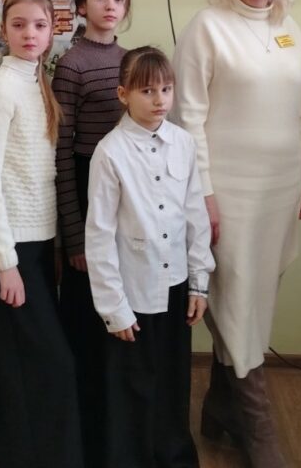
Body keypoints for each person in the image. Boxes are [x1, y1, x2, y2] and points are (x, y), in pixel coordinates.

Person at [172, 0, 301, 468]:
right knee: (232, 296)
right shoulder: (206, 27)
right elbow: (188, 117)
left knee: (255, 297)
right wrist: (202, 194)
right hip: (225, 190)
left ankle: (219, 408)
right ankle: (258, 428)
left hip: (280, 189)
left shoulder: (290, 30)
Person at [0, 0, 82, 468]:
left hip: (35, 244)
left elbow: (40, 176)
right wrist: (6, 264)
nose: (29, 34)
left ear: (52, 31)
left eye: (39, 25)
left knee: (10, 353)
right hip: (7, 247)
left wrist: (47, 249)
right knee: (51, 362)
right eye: (19, 25)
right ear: (4, 30)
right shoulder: (0, 89)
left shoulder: (39, 82)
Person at [85, 47, 214, 468]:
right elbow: (100, 236)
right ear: (123, 94)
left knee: (173, 383)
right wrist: (114, 308)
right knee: (134, 386)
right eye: (147, 91)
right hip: (133, 292)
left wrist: (199, 283)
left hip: (175, 285)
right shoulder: (110, 152)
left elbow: (195, 215)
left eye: (166, 89)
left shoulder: (183, 142)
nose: (159, 99)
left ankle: (174, 458)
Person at [53, 0, 132, 468]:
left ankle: (115, 430)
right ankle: (81, 438)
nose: (110, 7)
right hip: (84, 188)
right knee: (85, 320)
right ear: (82, 5)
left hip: (125, 195)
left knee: (119, 312)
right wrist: (74, 236)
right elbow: (61, 153)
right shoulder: (71, 63)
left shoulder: (130, 62)